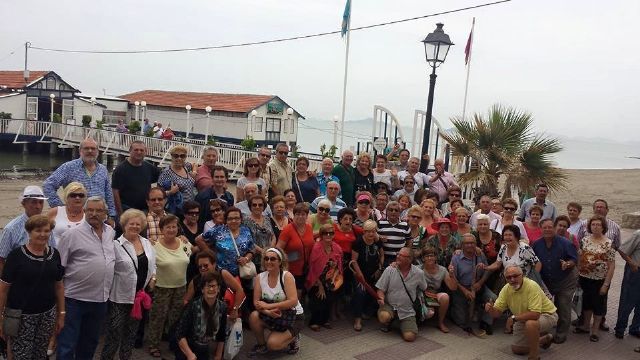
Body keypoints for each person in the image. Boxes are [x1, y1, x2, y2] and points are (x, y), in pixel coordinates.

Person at [56, 196, 116, 359]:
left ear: (106, 214)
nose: (94, 213)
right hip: (74, 299)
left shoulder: (110, 232)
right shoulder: (71, 235)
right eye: (90, 210)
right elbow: (59, 270)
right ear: (84, 211)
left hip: (100, 300)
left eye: (98, 210)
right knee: (67, 345)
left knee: (90, 343)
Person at [0, 214, 64, 359]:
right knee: (21, 355)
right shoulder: (16, 256)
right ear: (29, 232)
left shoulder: (55, 254)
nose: (43, 234)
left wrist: (61, 314)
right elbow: (3, 289)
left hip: (47, 315)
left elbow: (59, 286)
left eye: (47, 231)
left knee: (40, 354)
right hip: (22, 317)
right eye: (38, 230)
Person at [101, 209, 156, 360]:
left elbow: (154, 264)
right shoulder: (115, 245)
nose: (135, 226)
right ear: (124, 225)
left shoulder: (146, 243)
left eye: (138, 224)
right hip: (119, 298)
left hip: (139, 297)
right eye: (131, 223)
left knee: (131, 336)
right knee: (114, 334)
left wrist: (153, 279)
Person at [484, 266, 557, 359]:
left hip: (547, 315)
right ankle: (544, 339)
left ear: (522, 275)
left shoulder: (532, 285)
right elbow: (497, 313)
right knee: (517, 349)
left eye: (515, 276)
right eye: (508, 277)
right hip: (522, 317)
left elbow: (535, 314)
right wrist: (490, 309)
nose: (512, 279)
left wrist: (513, 318)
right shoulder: (506, 289)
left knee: (531, 324)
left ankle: (534, 356)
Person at [146, 214, 192, 358]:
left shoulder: (184, 242)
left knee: (176, 318)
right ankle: (154, 345)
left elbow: (191, 252)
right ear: (162, 229)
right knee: (158, 317)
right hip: (161, 287)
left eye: (174, 226)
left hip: (180, 287)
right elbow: (150, 265)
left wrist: (187, 241)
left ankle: (174, 343)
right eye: (168, 227)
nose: (172, 229)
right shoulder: (154, 245)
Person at [43, 137, 116, 220]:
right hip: (76, 217)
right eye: (86, 148)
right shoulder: (69, 167)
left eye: (93, 149)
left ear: (98, 151)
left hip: (99, 217)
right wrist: (60, 208)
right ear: (80, 151)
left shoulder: (103, 169)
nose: (90, 151)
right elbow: (48, 185)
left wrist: (112, 215)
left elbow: (108, 194)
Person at [531, 218, 578, 344]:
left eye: (550, 227)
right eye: (544, 227)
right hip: (546, 280)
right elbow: (533, 261)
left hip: (565, 280)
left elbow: (574, 259)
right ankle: (545, 328)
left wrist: (567, 264)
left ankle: (561, 333)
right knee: (545, 305)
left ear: (555, 228)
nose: (547, 229)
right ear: (540, 229)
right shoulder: (536, 244)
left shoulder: (565, 243)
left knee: (563, 306)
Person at [249, 248, 304, 355]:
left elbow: (293, 301)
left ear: (280, 261)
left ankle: (294, 337)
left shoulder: (286, 276)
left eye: (273, 259)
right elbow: (256, 303)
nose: (268, 262)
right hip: (273, 314)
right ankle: (261, 345)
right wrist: (268, 312)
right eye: (266, 258)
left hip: (293, 316)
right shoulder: (260, 277)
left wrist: (268, 307)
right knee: (253, 316)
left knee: (273, 344)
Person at [574, 216, 615, 342]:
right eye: (593, 224)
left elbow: (611, 265)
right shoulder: (584, 240)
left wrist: (606, 284)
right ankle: (586, 326)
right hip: (584, 277)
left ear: (603, 227)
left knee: (598, 305)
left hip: (600, 280)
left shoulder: (609, 243)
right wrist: (577, 274)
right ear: (590, 227)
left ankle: (595, 331)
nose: (595, 227)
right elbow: (580, 258)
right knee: (586, 303)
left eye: (598, 225)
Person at [375, 247, 428, 341]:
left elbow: (424, 287)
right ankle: (389, 321)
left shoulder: (419, 273)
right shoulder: (390, 269)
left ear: (410, 259)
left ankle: (398, 322)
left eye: (401, 255)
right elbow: (380, 289)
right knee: (384, 316)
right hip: (390, 305)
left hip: (407, 309)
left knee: (410, 337)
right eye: (398, 254)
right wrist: (381, 298)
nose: (397, 256)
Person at [449, 233, 496, 336]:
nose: (469, 245)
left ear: (476, 244)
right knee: (461, 321)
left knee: (493, 298)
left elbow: (487, 270)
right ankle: (454, 312)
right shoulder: (456, 258)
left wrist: (480, 283)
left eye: (472, 243)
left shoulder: (480, 254)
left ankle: (485, 322)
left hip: (478, 286)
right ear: (462, 245)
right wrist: (465, 291)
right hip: (461, 288)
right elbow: (453, 278)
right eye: (467, 243)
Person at [174, 272, 228, 360]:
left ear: (218, 289)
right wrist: (190, 355)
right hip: (187, 346)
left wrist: (218, 356)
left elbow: (221, 335)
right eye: (208, 286)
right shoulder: (193, 306)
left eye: (214, 286)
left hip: (204, 348)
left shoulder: (223, 307)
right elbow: (180, 334)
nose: (211, 289)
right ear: (202, 289)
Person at [0, 185, 52, 273]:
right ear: (24, 204)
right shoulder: (11, 229)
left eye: (41, 202)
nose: (38, 206)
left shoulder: (47, 225)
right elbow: (1, 259)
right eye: (34, 202)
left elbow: (52, 251)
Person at [305, 223, 343, 331]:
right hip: (316, 279)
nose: (328, 235)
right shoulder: (316, 248)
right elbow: (311, 268)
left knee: (329, 300)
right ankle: (314, 322)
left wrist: (333, 280)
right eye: (325, 233)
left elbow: (339, 266)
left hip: (330, 278)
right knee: (317, 300)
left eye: (331, 233)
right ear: (321, 235)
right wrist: (320, 285)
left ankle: (324, 320)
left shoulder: (337, 248)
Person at [350, 220, 384, 331]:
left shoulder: (377, 241)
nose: (371, 234)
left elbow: (382, 255)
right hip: (360, 274)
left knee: (376, 293)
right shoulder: (358, 242)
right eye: (368, 231)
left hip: (374, 273)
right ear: (364, 231)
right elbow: (354, 260)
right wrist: (360, 275)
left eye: (373, 231)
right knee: (360, 293)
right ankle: (357, 319)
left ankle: (368, 312)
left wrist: (380, 268)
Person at [111, 140, 160, 215]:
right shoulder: (120, 169)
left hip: (145, 209)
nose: (139, 152)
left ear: (145, 152)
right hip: (127, 209)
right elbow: (115, 192)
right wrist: (120, 213)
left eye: (141, 150)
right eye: (136, 150)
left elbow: (160, 182)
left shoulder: (150, 167)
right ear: (130, 151)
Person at [276, 203, 314, 299]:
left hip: (306, 267)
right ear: (294, 215)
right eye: (298, 214)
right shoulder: (287, 229)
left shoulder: (309, 228)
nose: (300, 216)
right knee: (294, 293)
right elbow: (278, 249)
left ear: (307, 215)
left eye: (303, 214)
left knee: (302, 291)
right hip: (291, 268)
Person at [421, 246, 457, 332]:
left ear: (436, 257)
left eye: (432, 255)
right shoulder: (418, 268)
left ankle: (441, 323)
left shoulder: (442, 270)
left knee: (445, 297)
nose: (430, 258)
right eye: (427, 256)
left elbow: (453, 287)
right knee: (428, 314)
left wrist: (452, 275)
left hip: (434, 295)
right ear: (423, 258)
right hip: (421, 296)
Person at [615, 230, 640, 339]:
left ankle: (635, 328)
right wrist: (632, 264)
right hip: (635, 271)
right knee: (628, 300)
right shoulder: (638, 234)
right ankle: (620, 328)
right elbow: (622, 249)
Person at [158, 145, 196, 212]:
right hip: (176, 209)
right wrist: (170, 192)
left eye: (182, 156)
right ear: (171, 156)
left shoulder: (186, 166)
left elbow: (194, 165)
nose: (179, 158)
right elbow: (158, 193)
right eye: (176, 156)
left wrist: (194, 172)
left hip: (189, 209)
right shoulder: (166, 172)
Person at [243, 195, 276, 267]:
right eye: (254, 205)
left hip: (269, 258)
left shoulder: (267, 219)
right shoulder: (245, 220)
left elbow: (273, 235)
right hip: (254, 259)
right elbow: (248, 239)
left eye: (260, 205)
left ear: (264, 207)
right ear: (250, 207)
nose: (257, 207)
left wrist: (270, 250)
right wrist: (263, 252)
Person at [377, 201, 411, 266]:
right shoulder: (380, 223)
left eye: (396, 210)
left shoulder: (405, 225)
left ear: (399, 212)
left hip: (400, 258)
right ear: (387, 211)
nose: (393, 212)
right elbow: (373, 236)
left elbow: (409, 242)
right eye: (391, 210)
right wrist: (379, 236)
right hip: (383, 257)